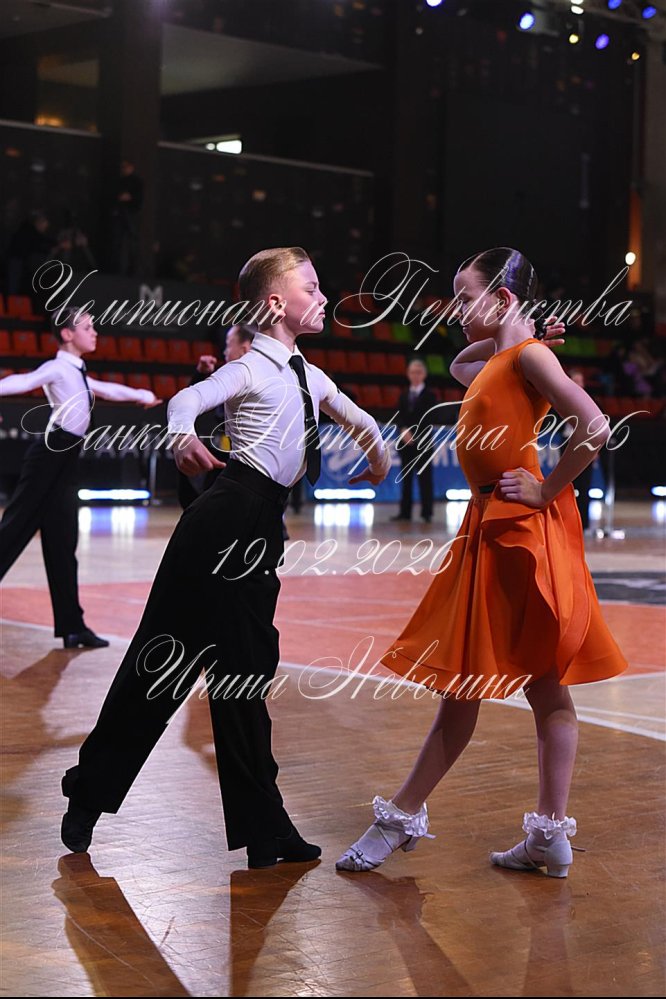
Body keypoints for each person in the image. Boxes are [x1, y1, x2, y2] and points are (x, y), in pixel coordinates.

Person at [59, 246, 392, 869]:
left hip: (260, 529)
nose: (324, 297)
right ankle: (90, 791)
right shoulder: (250, 368)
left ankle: (264, 828)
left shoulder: (311, 376)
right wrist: (181, 436)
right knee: (163, 662)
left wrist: (378, 460)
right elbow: (187, 401)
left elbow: (364, 422)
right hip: (222, 520)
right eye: (312, 287)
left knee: (244, 676)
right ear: (277, 304)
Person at [336, 246, 629, 878]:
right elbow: (461, 362)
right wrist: (514, 326)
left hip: (517, 530)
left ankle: (401, 817)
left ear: (502, 297)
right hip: (494, 528)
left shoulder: (528, 357)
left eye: (465, 297)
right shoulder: (508, 356)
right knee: (537, 686)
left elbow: (596, 427)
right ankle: (548, 836)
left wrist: (547, 489)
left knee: (479, 686)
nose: (455, 309)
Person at [0, 306, 161, 648]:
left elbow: (107, 389)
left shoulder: (78, 371)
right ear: (67, 334)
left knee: (63, 544)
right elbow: (23, 382)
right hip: (48, 458)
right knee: (12, 532)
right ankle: (72, 625)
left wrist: (141, 395)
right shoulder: (57, 367)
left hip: (65, 461)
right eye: (88, 327)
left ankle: (73, 627)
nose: (95, 332)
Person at [176, 324, 255, 511]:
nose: (225, 351)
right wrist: (202, 375)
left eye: (228, 344)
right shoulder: (227, 379)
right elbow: (191, 399)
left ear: (244, 349)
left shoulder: (255, 382)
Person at [390, 357, 439, 525]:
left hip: (423, 443)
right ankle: (405, 512)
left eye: (418, 372)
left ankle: (427, 512)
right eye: (412, 372)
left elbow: (429, 417)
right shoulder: (404, 395)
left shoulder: (430, 395)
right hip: (405, 444)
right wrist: (403, 430)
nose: (415, 375)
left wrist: (415, 434)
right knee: (406, 479)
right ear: (408, 374)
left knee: (425, 478)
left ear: (424, 374)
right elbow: (399, 416)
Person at [110, 159, 144, 275]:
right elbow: (114, 196)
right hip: (120, 213)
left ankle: (132, 270)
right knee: (117, 242)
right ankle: (115, 269)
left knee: (132, 242)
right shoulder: (119, 182)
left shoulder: (137, 182)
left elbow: (139, 199)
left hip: (131, 214)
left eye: (126, 166)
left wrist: (130, 197)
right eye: (122, 167)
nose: (124, 169)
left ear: (131, 167)